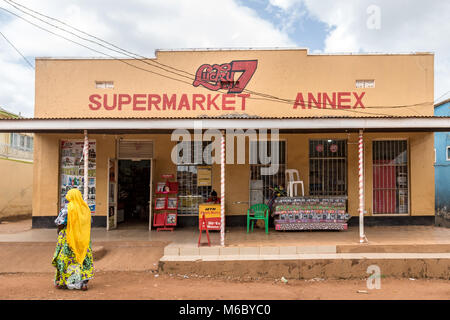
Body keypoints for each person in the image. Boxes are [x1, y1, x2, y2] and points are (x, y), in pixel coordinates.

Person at [52, 188, 94, 291]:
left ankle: (62, 282)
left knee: (64, 259)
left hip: (68, 237)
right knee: (83, 258)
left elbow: (59, 222)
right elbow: (90, 222)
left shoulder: (67, 208)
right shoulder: (85, 208)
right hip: (82, 238)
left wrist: (59, 230)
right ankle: (83, 283)